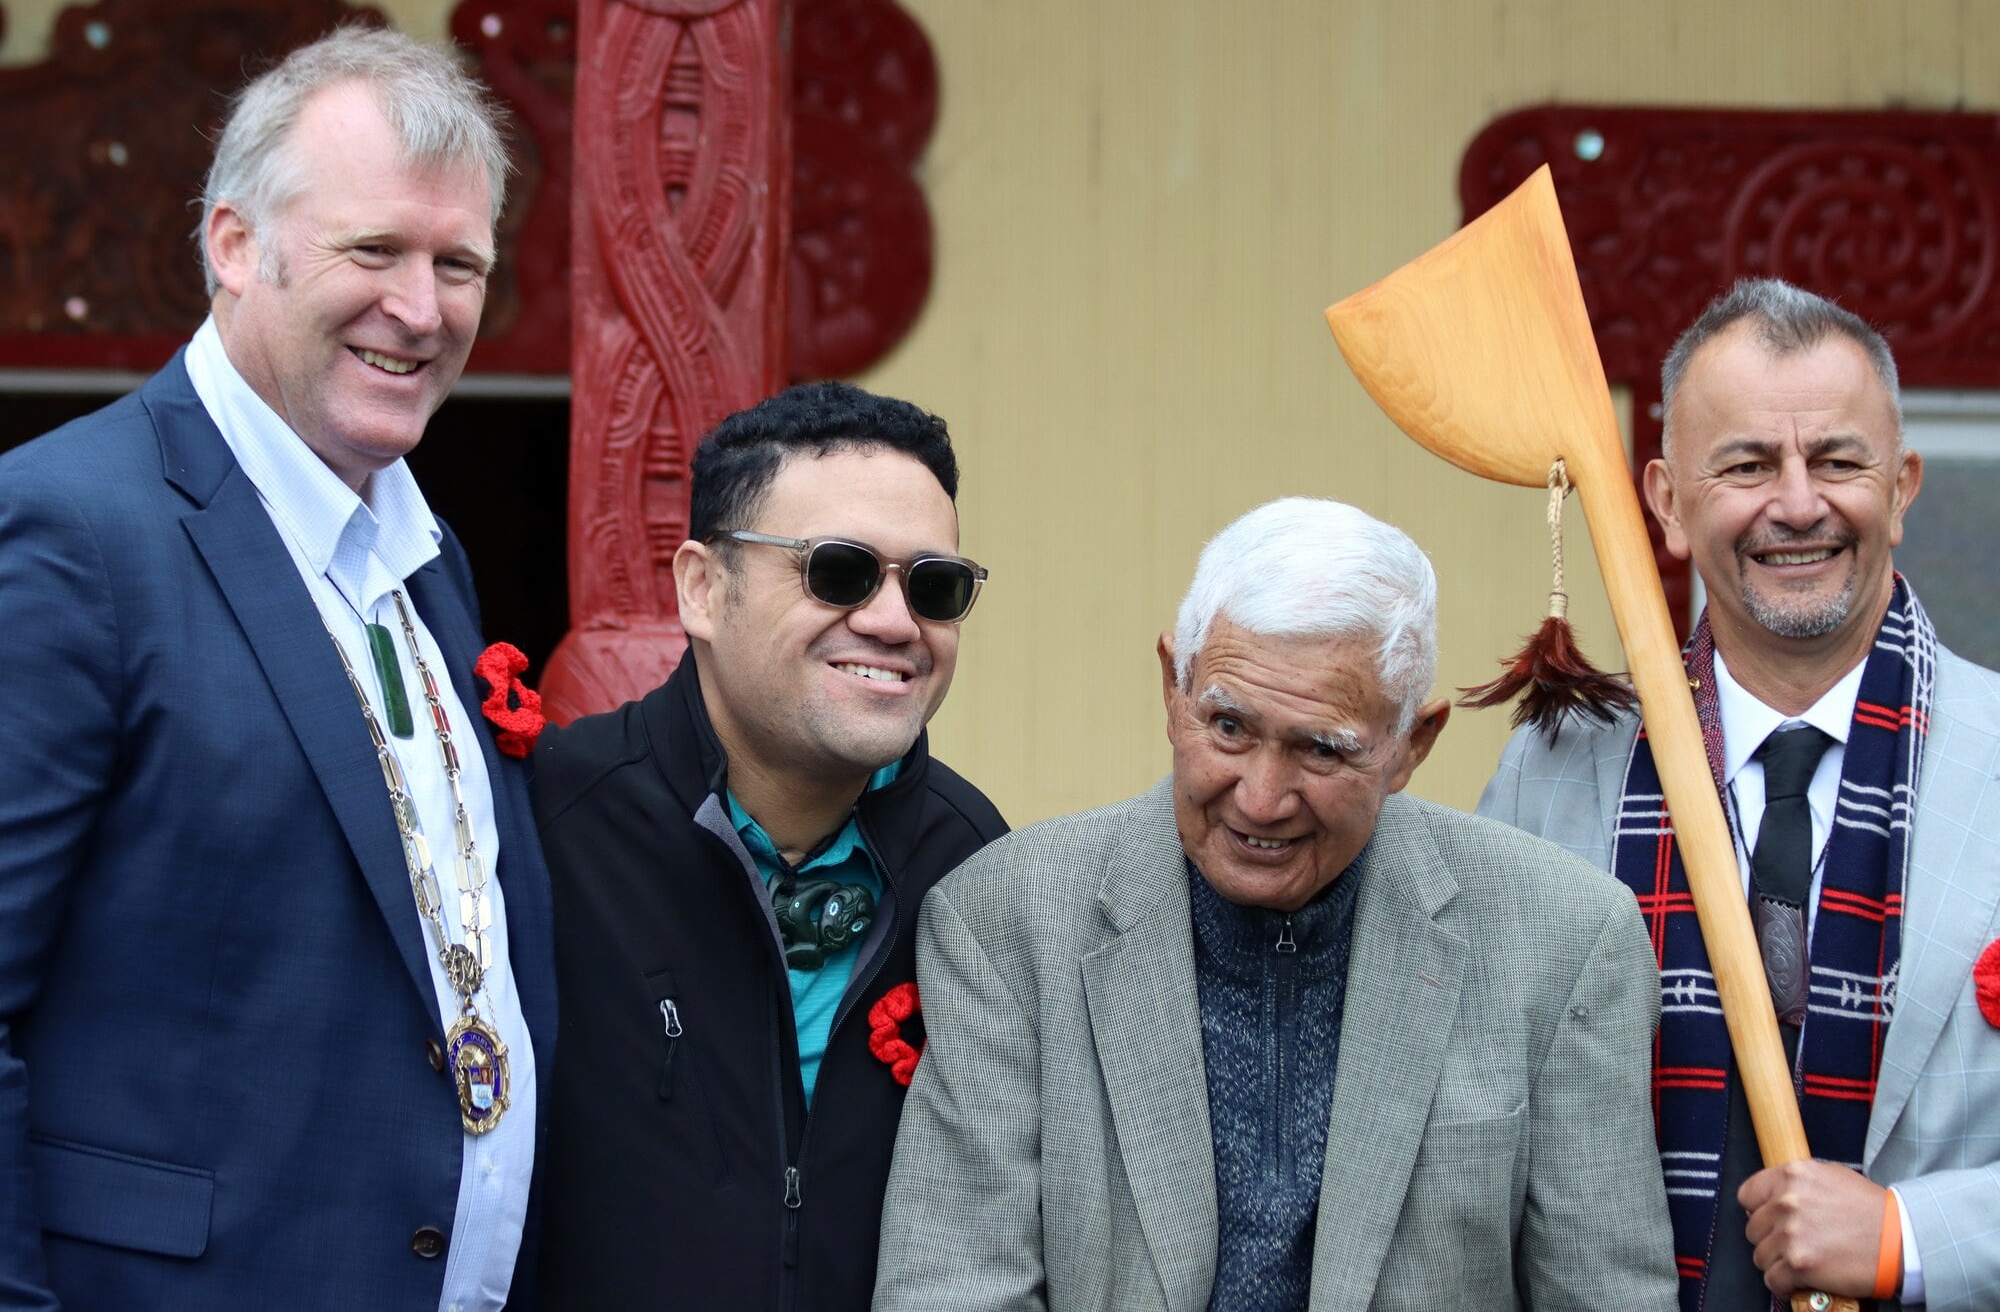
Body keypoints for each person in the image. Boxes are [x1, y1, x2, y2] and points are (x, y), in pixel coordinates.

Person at [0, 28, 554, 1311]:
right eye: (375, 251)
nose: (422, 309)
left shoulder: (425, 558)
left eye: (457, 263)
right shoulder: (69, 530)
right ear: (235, 246)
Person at [873, 497, 1678, 1312]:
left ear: (1411, 747)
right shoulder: (1007, 920)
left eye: (1321, 748)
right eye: (1228, 726)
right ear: (1172, 688)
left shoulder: (1564, 938)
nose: (1260, 799)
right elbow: (953, 1289)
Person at [1480, 277, 2000, 1310]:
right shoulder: (1554, 772)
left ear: (1899, 488)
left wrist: (1906, 1232)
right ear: (1666, 503)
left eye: (1838, 461)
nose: (1798, 502)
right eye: (1748, 464)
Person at [530, 381, 1008, 1311]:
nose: (894, 621)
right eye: (839, 570)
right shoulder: (542, 832)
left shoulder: (979, 870)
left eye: (934, 586)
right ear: (703, 589)